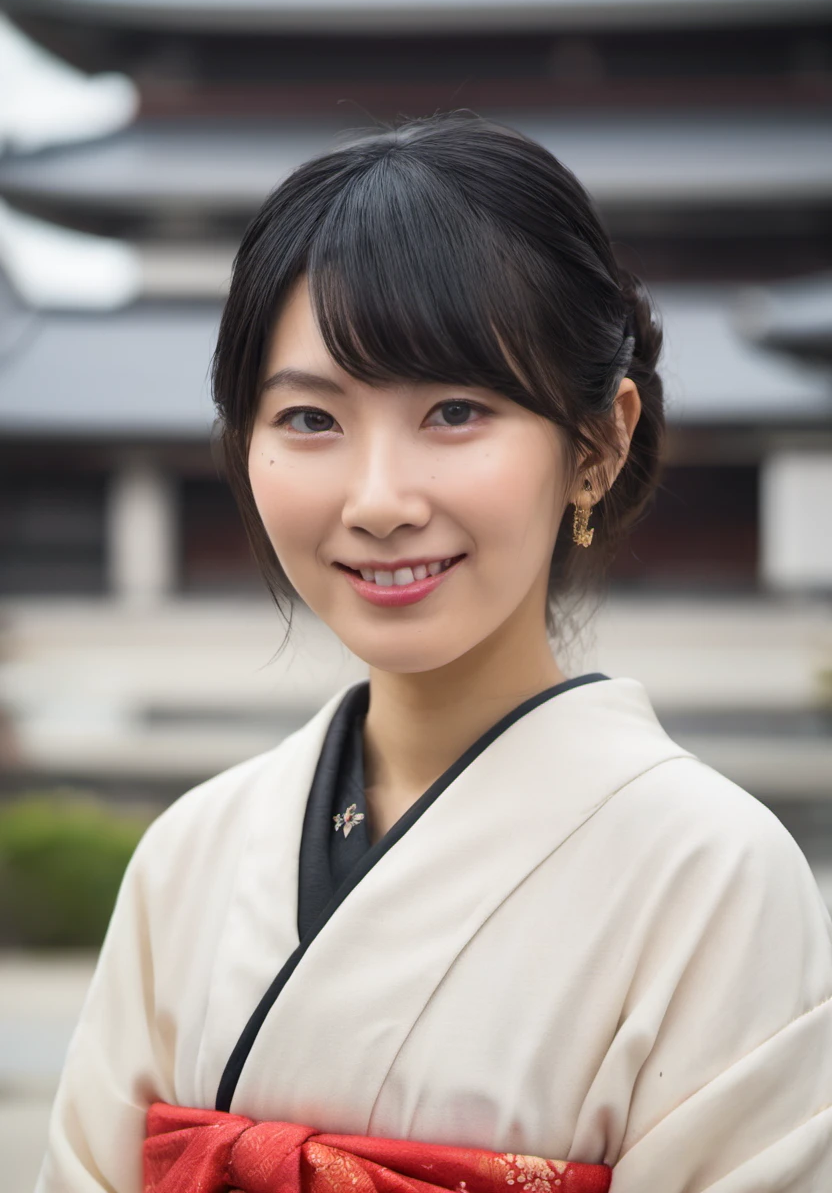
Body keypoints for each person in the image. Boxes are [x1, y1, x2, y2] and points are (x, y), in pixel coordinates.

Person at [36, 114, 832, 1193]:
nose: (377, 501)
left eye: (455, 411)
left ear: (596, 442)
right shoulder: (191, 856)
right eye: (312, 418)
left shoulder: (718, 880)